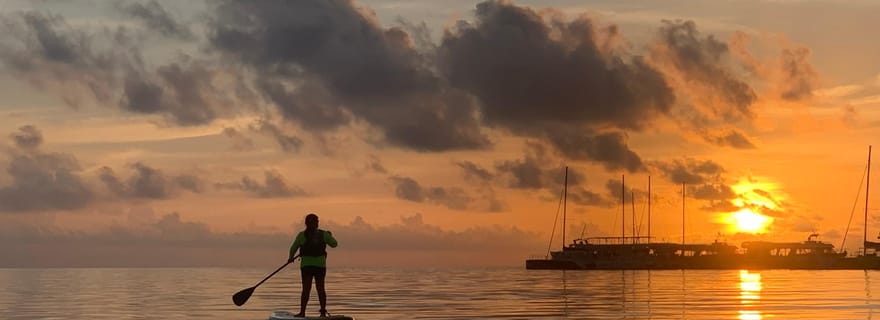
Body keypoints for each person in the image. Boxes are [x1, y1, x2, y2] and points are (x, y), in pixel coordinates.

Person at [289, 213, 338, 317]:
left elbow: (293, 248)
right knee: (321, 289)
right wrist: (330, 235)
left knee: (306, 289)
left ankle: (302, 313)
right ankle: (323, 313)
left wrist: (290, 257)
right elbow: (334, 244)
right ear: (317, 224)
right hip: (320, 266)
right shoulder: (324, 234)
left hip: (306, 266)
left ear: (306, 223)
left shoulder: (301, 235)